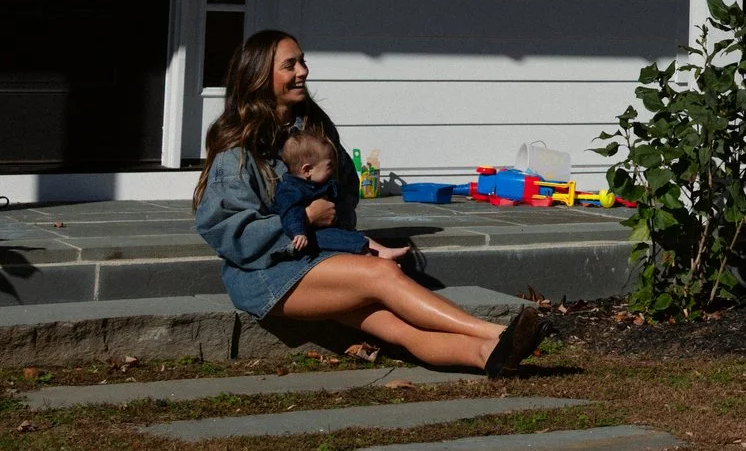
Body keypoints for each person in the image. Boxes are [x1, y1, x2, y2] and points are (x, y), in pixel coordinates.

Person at [193, 28, 543, 376]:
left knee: (396, 327)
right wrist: (307, 219)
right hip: (264, 273)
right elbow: (229, 233)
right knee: (382, 273)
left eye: (302, 61)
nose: (302, 71)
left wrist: (336, 227)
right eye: (289, 65)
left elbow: (345, 185)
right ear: (259, 77)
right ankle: (497, 334)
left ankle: (487, 356)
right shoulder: (238, 151)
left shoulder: (314, 129)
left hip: (319, 258)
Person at [274, 123, 372, 257]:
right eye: (329, 166)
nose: (333, 169)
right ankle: (367, 254)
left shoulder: (316, 183)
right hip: (311, 234)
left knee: (349, 236)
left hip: (329, 227)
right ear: (307, 170)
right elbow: (290, 212)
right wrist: (298, 232)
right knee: (341, 239)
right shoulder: (291, 190)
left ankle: (376, 250)